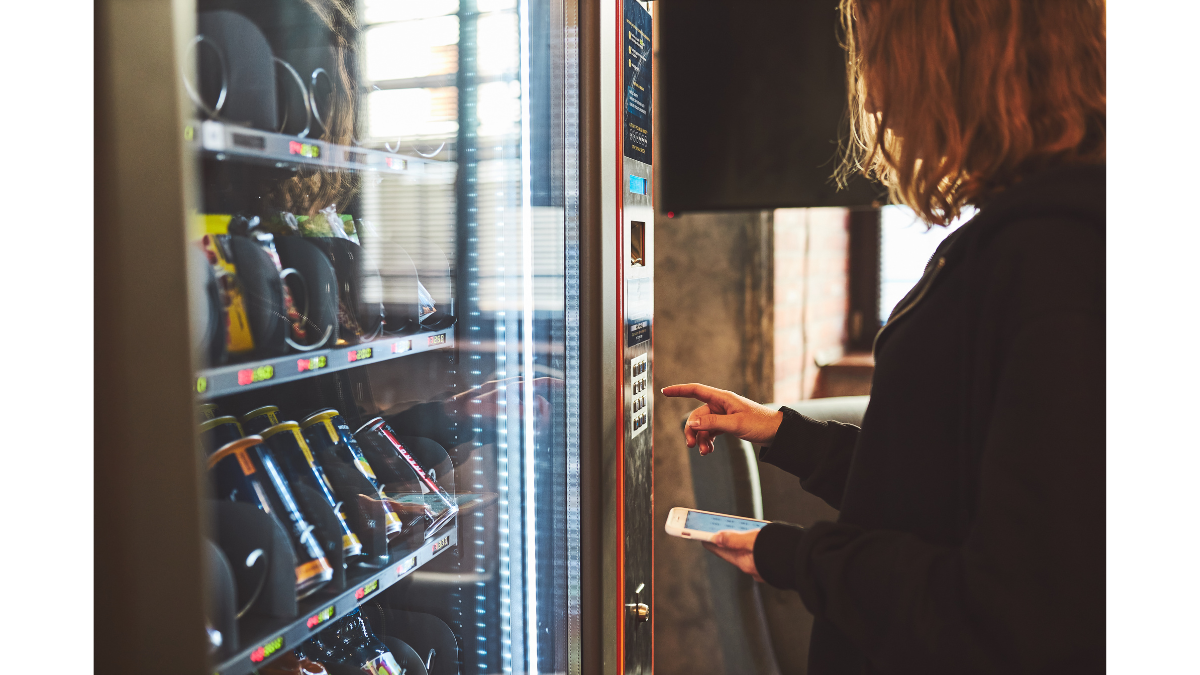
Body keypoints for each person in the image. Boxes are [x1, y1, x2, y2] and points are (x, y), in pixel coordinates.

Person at [664, 0, 1107, 672]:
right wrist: (785, 431)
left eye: (879, 54)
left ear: (967, 56)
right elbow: (938, 486)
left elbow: (1017, 614)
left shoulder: (1058, 265)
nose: (871, 92)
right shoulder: (1028, 241)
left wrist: (799, 555)